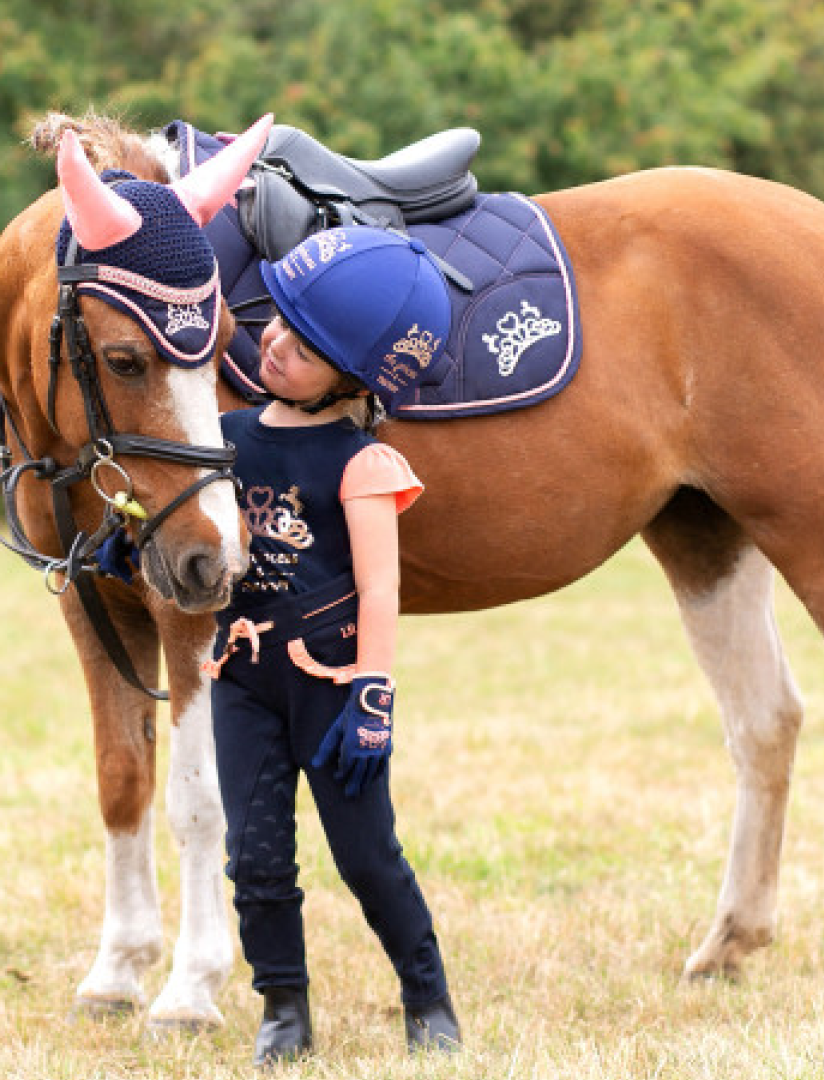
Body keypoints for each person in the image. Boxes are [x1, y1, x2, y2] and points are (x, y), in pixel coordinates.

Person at [204, 226, 461, 1065]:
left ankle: (427, 995)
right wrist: (129, 549)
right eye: (280, 322)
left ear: (350, 380)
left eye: (305, 347)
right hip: (242, 679)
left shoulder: (362, 464)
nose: (274, 342)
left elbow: (382, 589)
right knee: (256, 855)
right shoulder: (224, 438)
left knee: (366, 857)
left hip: (332, 684)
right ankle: (283, 1007)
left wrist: (372, 697)